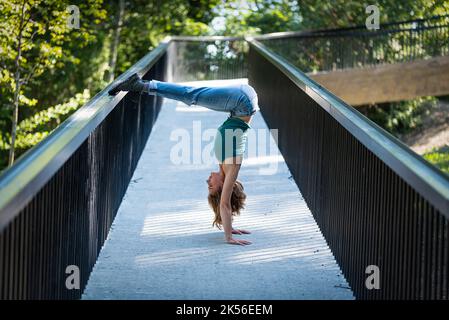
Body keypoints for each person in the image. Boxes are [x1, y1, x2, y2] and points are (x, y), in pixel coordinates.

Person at [109, 73, 260, 245]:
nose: (208, 180)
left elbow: (226, 205)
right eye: (211, 186)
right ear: (223, 187)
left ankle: (142, 86)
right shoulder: (232, 167)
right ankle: (140, 86)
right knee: (192, 95)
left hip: (239, 105)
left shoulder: (224, 165)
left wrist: (229, 226)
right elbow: (225, 204)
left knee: (193, 96)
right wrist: (228, 237)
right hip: (243, 102)